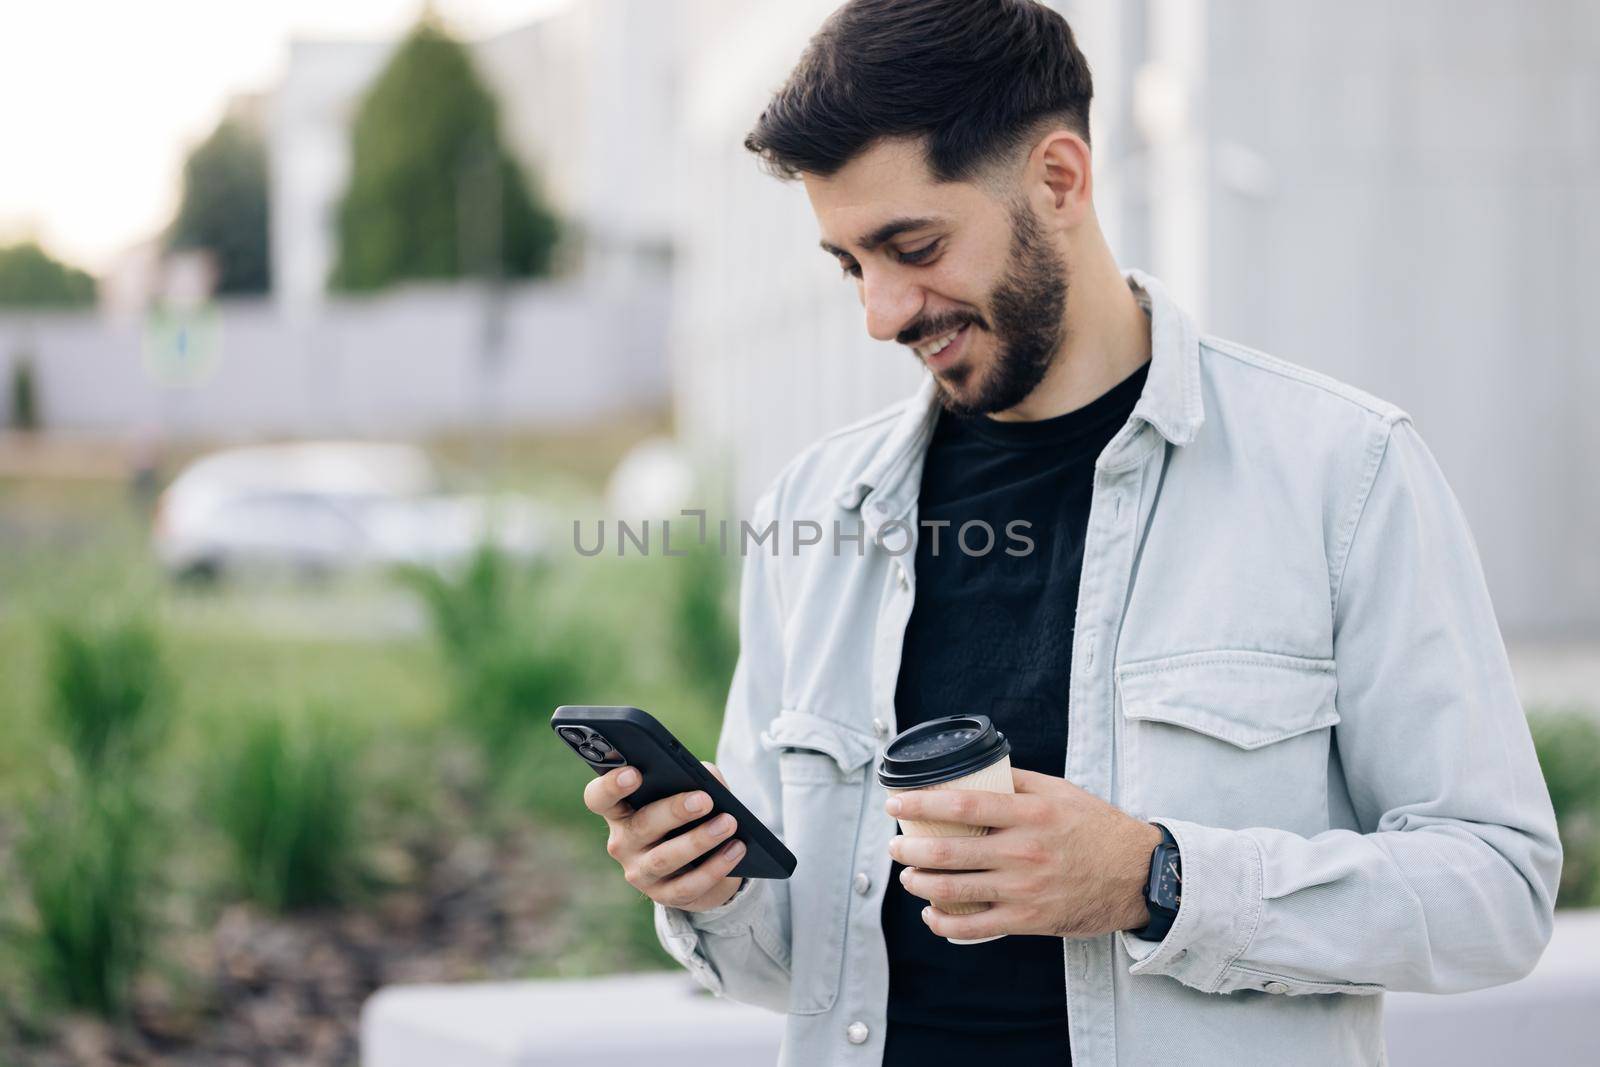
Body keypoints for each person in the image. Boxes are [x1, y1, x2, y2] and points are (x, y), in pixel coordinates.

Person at [580, 1, 1563, 1063]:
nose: (879, 310)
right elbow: (798, 968)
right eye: (849, 263)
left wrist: (1154, 876)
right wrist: (712, 888)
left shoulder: (1344, 470)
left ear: (1058, 179)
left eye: (912, 246)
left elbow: (1496, 892)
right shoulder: (816, 513)